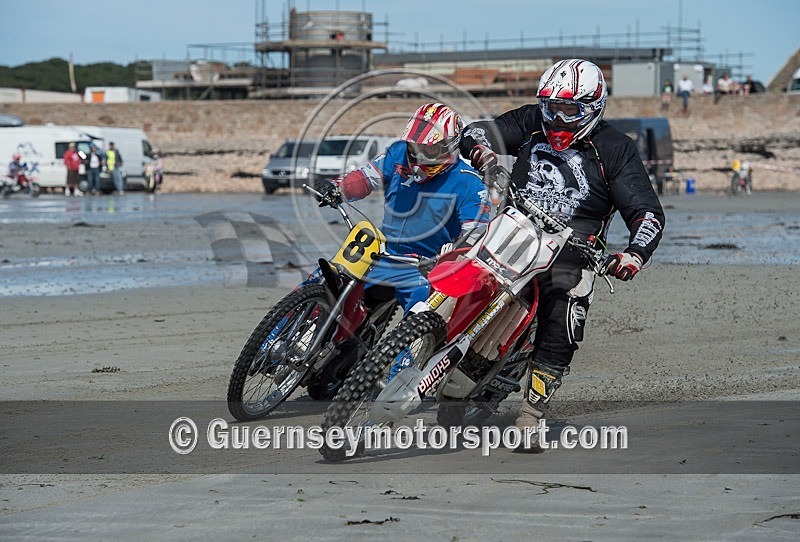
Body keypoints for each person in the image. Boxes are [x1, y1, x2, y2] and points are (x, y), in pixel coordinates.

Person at [460, 59, 665, 452]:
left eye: (568, 110)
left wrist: (634, 254)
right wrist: (484, 153)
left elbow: (647, 212)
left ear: (593, 106)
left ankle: (530, 416)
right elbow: (476, 131)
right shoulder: (530, 120)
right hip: (513, 230)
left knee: (563, 314)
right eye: (550, 107)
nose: (556, 118)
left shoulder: (616, 148)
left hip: (573, 250)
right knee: (460, 269)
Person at [317, 102, 491, 314]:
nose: (419, 156)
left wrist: (451, 257)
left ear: (450, 147)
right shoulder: (397, 153)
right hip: (381, 251)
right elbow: (366, 177)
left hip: (424, 266)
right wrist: (338, 188)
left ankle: (406, 347)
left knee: (421, 314)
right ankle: (277, 331)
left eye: (429, 149)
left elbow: (476, 234)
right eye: (415, 148)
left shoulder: (470, 183)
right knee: (324, 277)